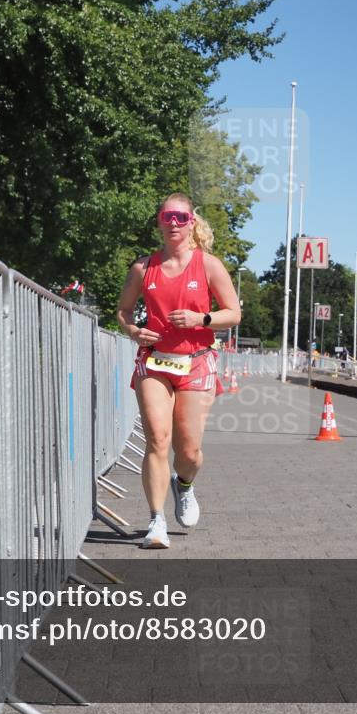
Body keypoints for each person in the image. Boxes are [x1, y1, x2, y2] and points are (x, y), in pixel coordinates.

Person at [117, 193, 241, 549]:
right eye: (167, 217)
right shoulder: (143, 268)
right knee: (157, 439)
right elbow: (123, 311)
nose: (174, 223)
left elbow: (233, 313)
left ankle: (183, 484)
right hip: (154, 360)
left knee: (189, 450)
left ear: (191, 223)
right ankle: (156, 521)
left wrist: (200, 318)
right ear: (159, 220)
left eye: (181, 218)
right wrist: (133, 330)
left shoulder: (209, 265)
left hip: (197, 360)